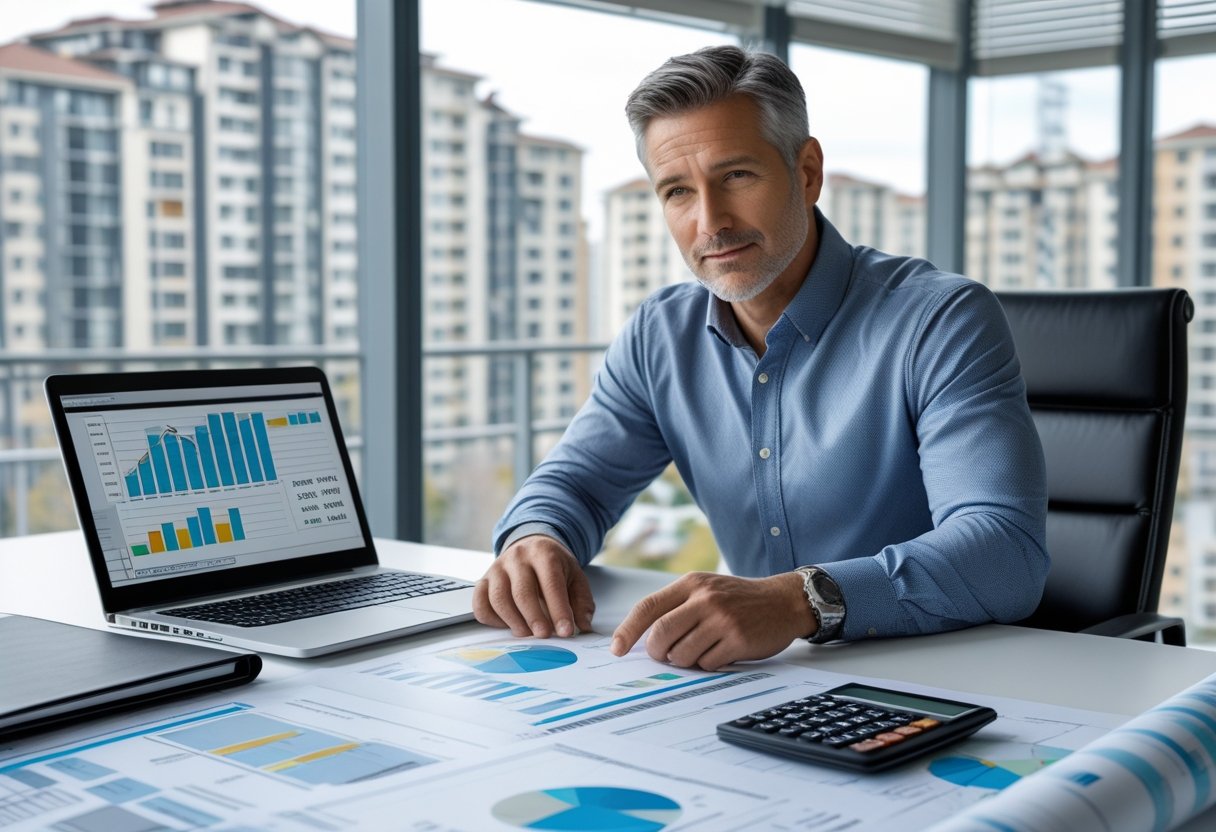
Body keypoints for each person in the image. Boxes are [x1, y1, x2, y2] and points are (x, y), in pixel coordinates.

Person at [473, 44, 1049, 671]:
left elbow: (1005, 554)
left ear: (807, 172)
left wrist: (800, 600)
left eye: (736, 177)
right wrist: (536, 538)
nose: (710, 222)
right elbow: (575, 486)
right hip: (758, 681)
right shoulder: (660, 335)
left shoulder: (939, 320)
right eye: (677, 192)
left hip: (947, 674)